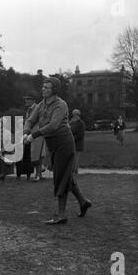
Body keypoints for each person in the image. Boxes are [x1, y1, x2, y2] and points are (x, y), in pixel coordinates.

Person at [24, 77, 92, 225]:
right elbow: (31, 119)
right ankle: (83, 201)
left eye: (47, 87)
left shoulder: (61, 105)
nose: (43, 89)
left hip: (64, 144)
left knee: (60, 177)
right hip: (53, 145)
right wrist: (26, 131)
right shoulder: (41, 105)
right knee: (64, 176)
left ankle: (61, 215)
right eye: (43, 87)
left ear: (54, 90)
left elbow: (53, 125)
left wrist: (33, 135)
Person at [16, 96, 34, 180]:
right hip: (24, 134)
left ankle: (28, 174)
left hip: (31, 135)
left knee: (28, 156)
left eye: (28, 99)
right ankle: (19, 174)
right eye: (25, 99)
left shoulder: (35, 109)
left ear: (32, 100)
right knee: (20, 156)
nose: (26, 101)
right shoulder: (28, 110)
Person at [69, 109, 86, 173]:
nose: (73, 116)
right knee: (72, 158)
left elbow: (80, 135)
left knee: (75, 158)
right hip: (71, 143)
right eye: (73, 115)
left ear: (78, 115)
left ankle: (75, 170)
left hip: (78, 144)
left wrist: (72, 138)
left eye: (75, 115)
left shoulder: (81, 123)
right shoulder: (72, 122)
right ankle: (73, 170)